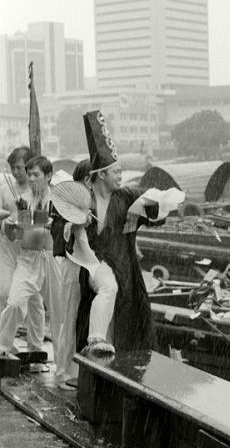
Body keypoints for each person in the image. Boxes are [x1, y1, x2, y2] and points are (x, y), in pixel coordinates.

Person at [72, 111, 167, 355]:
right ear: (101, 174)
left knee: (126, 332)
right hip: (94, 271)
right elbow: (65, 239)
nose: (120, 176)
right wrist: (76, 223)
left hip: (126, 272)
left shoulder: (126, 196)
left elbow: (157, 208)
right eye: (116, 172)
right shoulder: (82, 201)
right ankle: (95, 344)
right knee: (105, 294)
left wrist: (148, 205)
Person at [0, 156, 62, 366]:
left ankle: (63, 365)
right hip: (27, 259)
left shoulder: (58, 200)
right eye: (30, 175)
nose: (32, 179)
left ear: (49, 176)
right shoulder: (22, 200)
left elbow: (65, 230)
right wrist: (10, 227)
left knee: (58, 314)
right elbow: (14, 236)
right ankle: (2, 347)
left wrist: (53, 225)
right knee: (15, 303)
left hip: (52, 259)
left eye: (36, 175)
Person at [0, 146, 45, 351]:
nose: (16, 172)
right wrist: (7, 221)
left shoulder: (36, 191)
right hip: (8, 246)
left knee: (34, 300)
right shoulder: (4, 187)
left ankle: (35, 346)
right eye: (13, 168)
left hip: (29, 248)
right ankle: (5, 343)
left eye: (20, 168)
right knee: (8, 293)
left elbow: (41, 222)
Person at [52, 159, 91, 390]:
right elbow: (59, 233)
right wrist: (76, 223)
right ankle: (63, 371)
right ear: (87, 180)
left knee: (84, 319)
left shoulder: (95, 202)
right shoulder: (67, 203)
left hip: (88, 268)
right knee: (70, 317)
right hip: (73, 266)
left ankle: (80, 371)